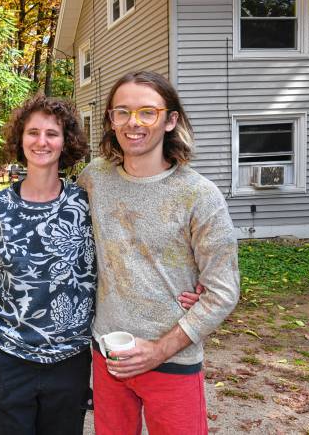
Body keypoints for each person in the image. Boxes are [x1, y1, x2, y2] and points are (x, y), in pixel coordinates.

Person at [0, 94, 203, 435]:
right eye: (33, 133)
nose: (42, 141)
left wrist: (192, 285)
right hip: (9, 358)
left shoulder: (85, 201)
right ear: (21, 139)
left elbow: (128, 249)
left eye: (52, 133)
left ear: (66, 143)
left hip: (70, 362)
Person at [77, 71, 240, 435]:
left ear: (170, 120)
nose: (133, 123)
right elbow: (57, 222)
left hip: (172, 361)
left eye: (147, 112)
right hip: (108, 358)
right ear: (111, 120)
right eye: (122, 112)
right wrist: (1, 208)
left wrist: (159, 349)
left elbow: (223, 291)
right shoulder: (94, 179)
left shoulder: (199, 195)